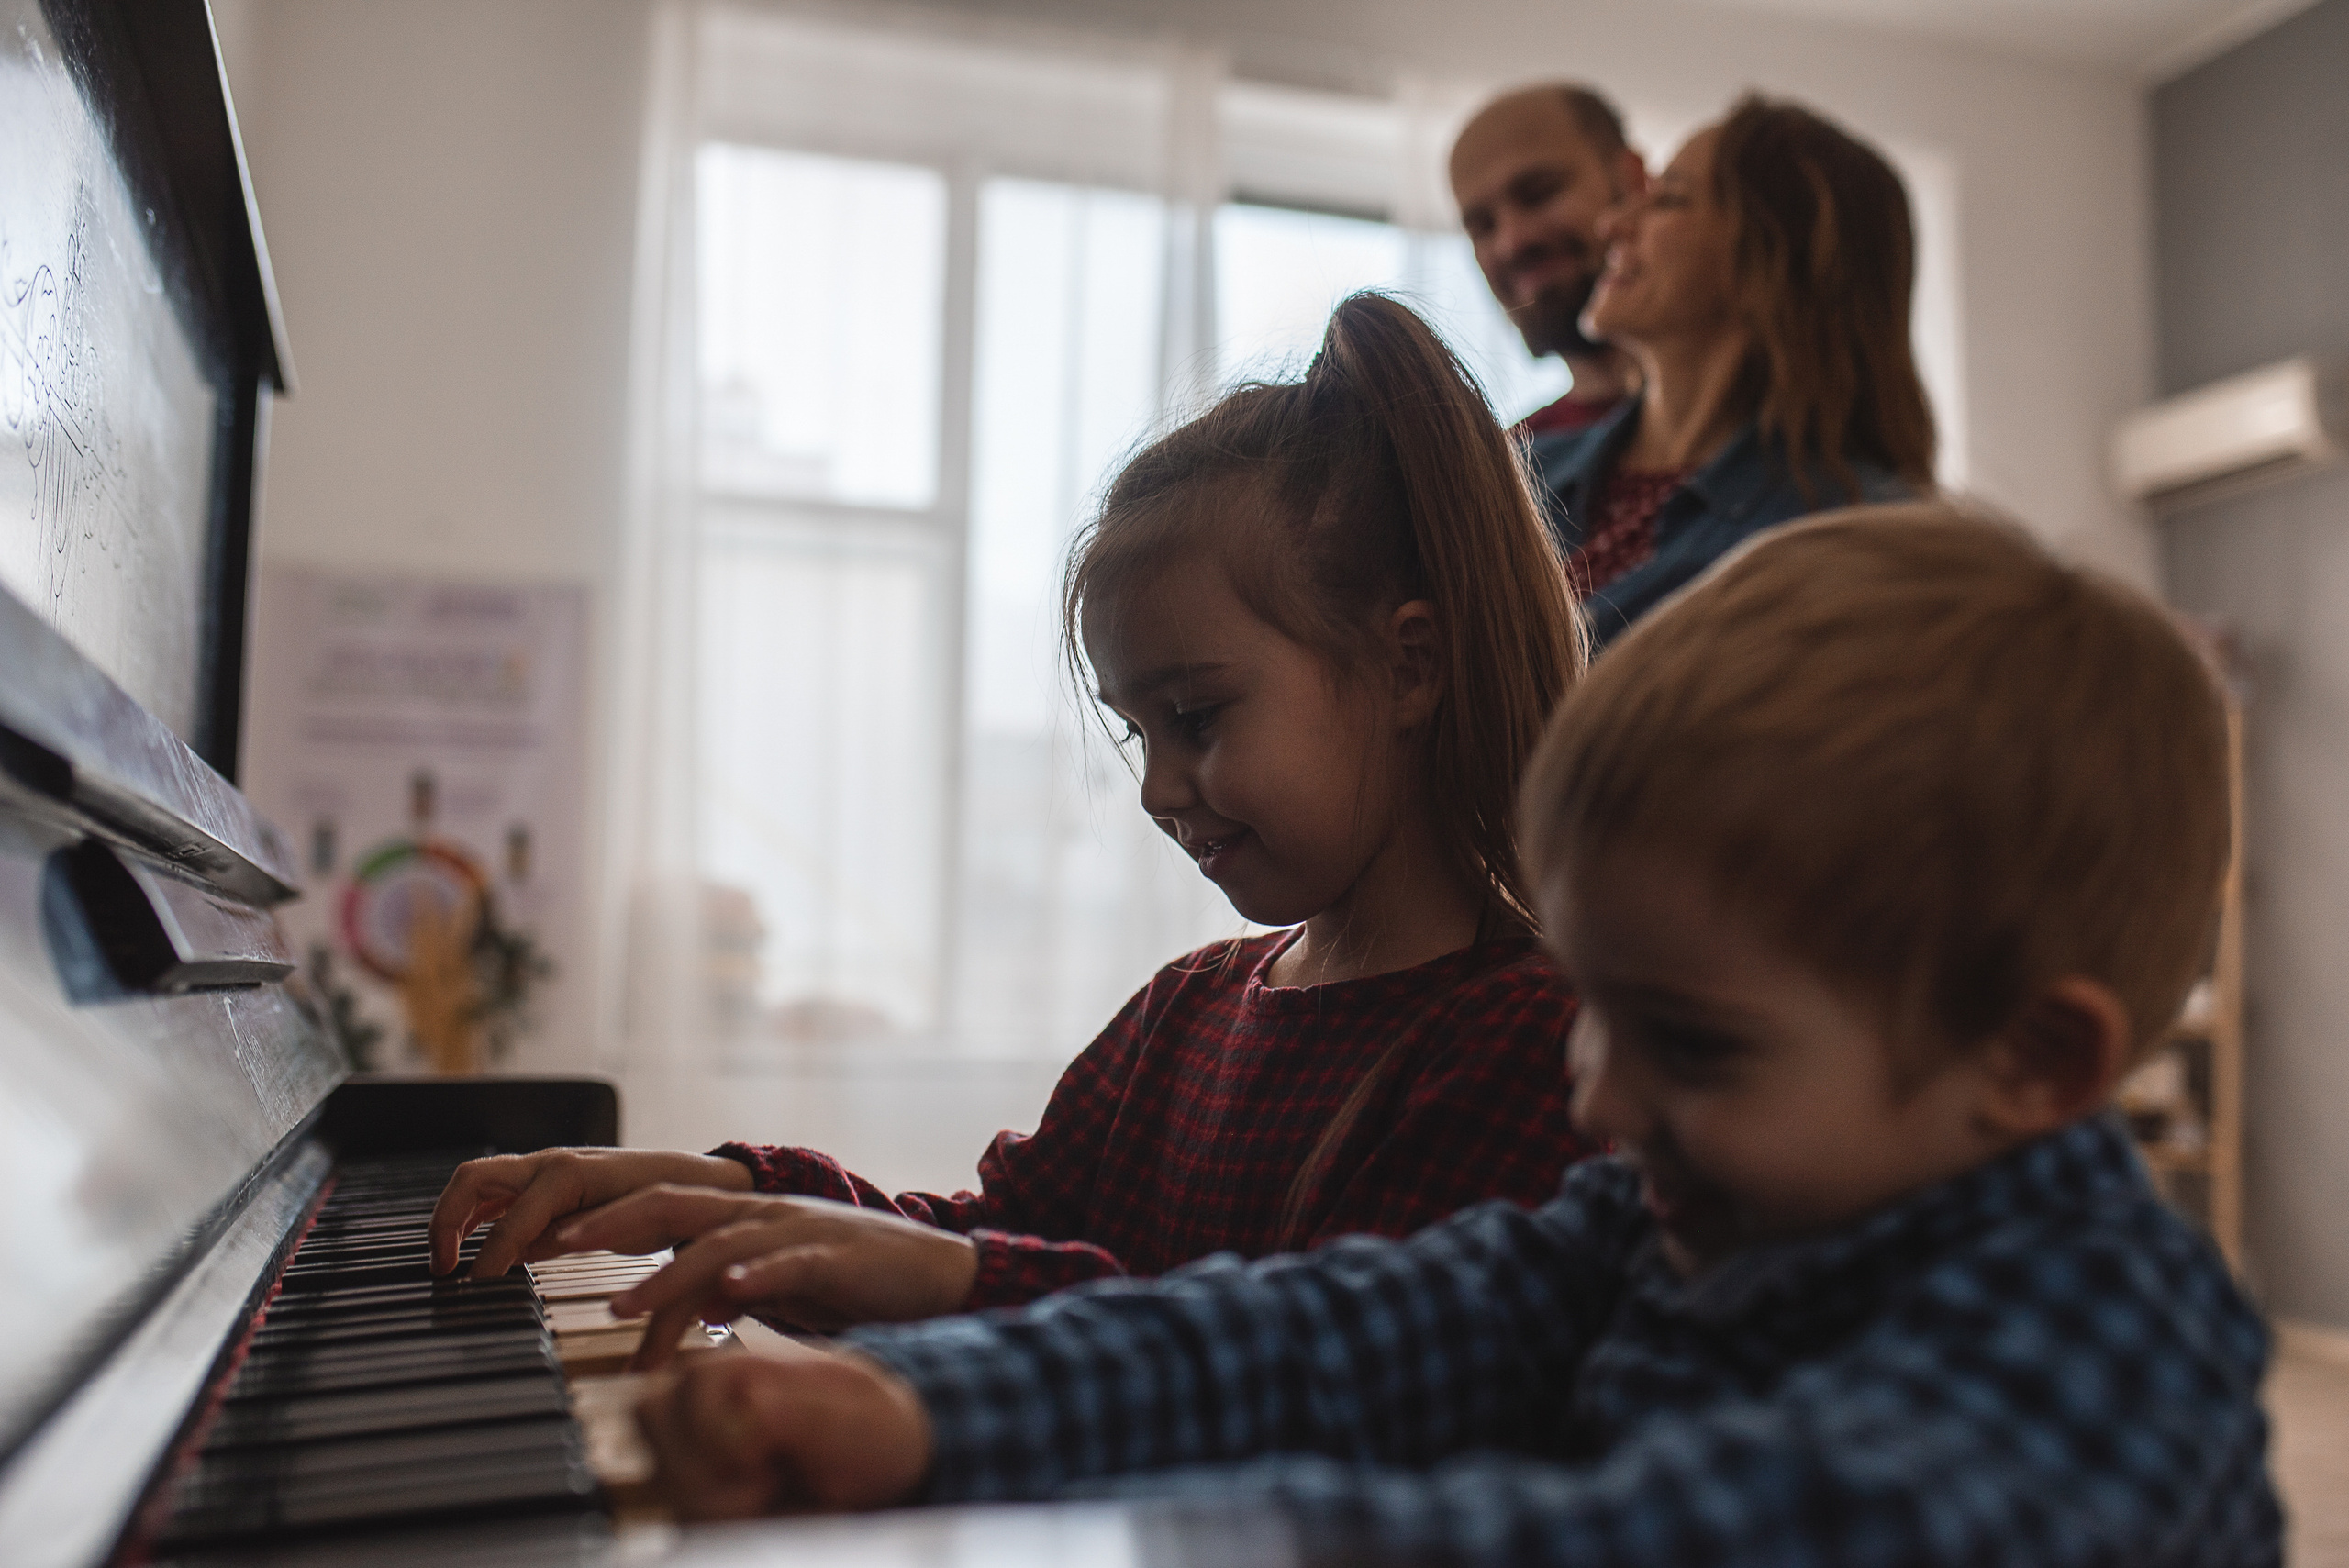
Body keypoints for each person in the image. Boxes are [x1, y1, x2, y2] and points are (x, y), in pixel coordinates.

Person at [629, 504, 2282, 1566]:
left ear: (2032, 1065)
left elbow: (1674, 1536)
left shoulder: (2109, 1334)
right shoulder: (1667, 1212)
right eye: (1607, 1011)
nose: (1600, 1091)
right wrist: (934, 1410)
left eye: (1692, 1046)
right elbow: (1330, 1334)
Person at [426, 295, 1595, 1353]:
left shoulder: (1525, 1036)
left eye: (1196, 713)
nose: (1157, 787)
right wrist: (729, 1190)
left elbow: (1307, 1381)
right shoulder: (1183, 1012)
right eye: (1138, 732)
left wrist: (940, 1273)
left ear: (1410, 666)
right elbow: (1001, 1236)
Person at [1542, 94, 1934, 645]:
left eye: (1668, 200)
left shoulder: (1856, 538)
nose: (1612, 225)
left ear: (1773, 262)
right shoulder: (1517, 472)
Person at [1449, 83, 1647, 439]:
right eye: (1483, 227)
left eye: (1539, 193)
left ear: (1632, 178)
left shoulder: (1772, 412)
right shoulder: (1508, 474)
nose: (1512, 242)